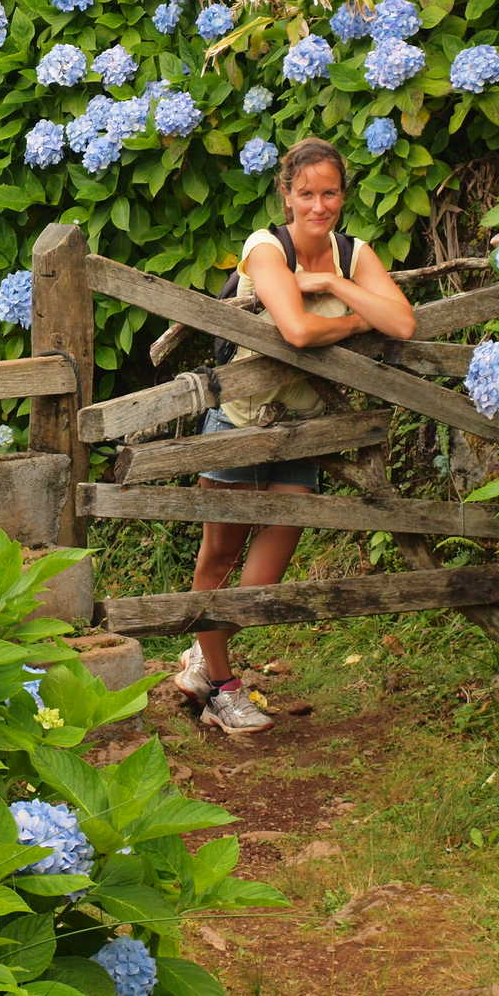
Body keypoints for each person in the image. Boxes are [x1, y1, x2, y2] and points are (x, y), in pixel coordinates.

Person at [173, 136, 417, 734]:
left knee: (263, 580)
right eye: (306, 193)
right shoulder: (265, 248)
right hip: (238, 422)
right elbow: (297, 332)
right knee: (220, 556)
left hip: (303, 433)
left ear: (342, 195)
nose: (318, 205)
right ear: (286, 195)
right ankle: (222, 686)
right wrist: (356, 314)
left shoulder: (353, 254)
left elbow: (403, 321)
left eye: (329, 192)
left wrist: (335, 287)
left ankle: (204, 660)